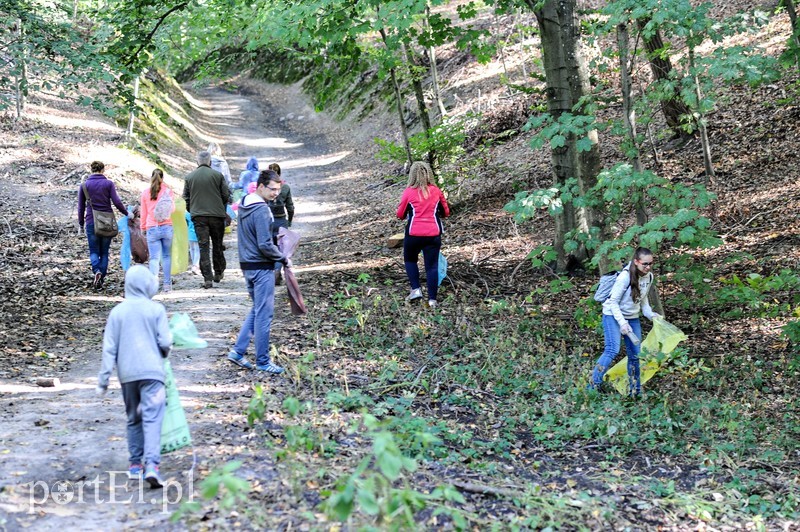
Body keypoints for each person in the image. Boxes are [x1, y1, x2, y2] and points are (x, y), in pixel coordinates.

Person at [96, 265, 172, 489]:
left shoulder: (117, 312)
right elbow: (165, 342)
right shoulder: (156, 309)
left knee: (133, 418)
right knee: (152, 418)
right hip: (152, 372)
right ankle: (152, 465)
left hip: (127, 374)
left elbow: (109, 348)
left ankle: (135, 465)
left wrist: (103, 380)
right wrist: (164, 352)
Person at [226, 170, 288, 374]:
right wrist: (282, 257)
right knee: (264, 314)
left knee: (257, 309)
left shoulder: (245, 202)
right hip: (260, 266)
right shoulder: (261, 209)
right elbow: (264, 244)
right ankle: (263, 360)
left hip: (248, 264)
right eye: (272, 189)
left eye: (278, 190)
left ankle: (238, 352)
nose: (275, 193)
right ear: (260, 186)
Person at [588, 247, 662, 396]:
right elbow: (613, 302)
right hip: (613, 315)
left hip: (632, 317)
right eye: (645, 264)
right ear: (636, 262)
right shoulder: (624, 277)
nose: (648, 267)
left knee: (635, 354)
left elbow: (643, 301)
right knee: (612, 350)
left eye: (650, 264)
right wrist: (622, 323)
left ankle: (635, 391)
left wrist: (651, 315)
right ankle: (592, 386)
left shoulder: (649, 277)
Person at [396, 161, 450, 308]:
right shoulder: (436, 191)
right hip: (433, 234)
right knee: (432, 266)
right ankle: (432, 300)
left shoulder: (408, 192)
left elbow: (400, 214)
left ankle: (416, 289)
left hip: (413, 234)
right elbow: (446, 212)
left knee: (410, 260)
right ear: (429, 174)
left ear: (412, 175)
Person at [183, 150, 231, 289]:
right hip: (217, 215)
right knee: (217, 244)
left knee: (203, 246)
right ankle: (218, 272)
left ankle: (207, 278)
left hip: (199, 216)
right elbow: (226, 195)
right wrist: (220, 207)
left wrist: (192, 210)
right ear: (210, 162)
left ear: (197, 161)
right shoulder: (218, 175)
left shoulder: (189, 177)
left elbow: (186, 197)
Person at [77, 161, 129, 290]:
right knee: (104, 252)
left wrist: (81, 224)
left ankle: (97, 271)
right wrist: (127, 213)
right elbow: (117, 202)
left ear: (91, 170)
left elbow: (81, 207)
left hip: (91, 221)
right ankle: (101, 277)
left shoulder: (84, 185)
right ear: (102, 170)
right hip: (107, 221)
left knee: (94, 251)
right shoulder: (108, 184)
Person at [139, 169, 175, 292]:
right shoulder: (168, 191)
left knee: (154, 258)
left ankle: (153, 284)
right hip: (167, 227)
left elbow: (143, 213)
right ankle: (167, 285)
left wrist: (143, 227)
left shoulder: (145, 193)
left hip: (152, 228)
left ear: (151, 178)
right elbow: (172, 209)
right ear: (162, 178)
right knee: (166, 256)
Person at [267, 163, 294, 284]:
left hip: (268, 220)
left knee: (270, 246)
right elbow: (290, 207)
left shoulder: (265, 187)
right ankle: (277, 270)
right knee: (281, 248)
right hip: (281, 220)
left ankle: (271, 271)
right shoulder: (285, 188)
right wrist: (290, 220)